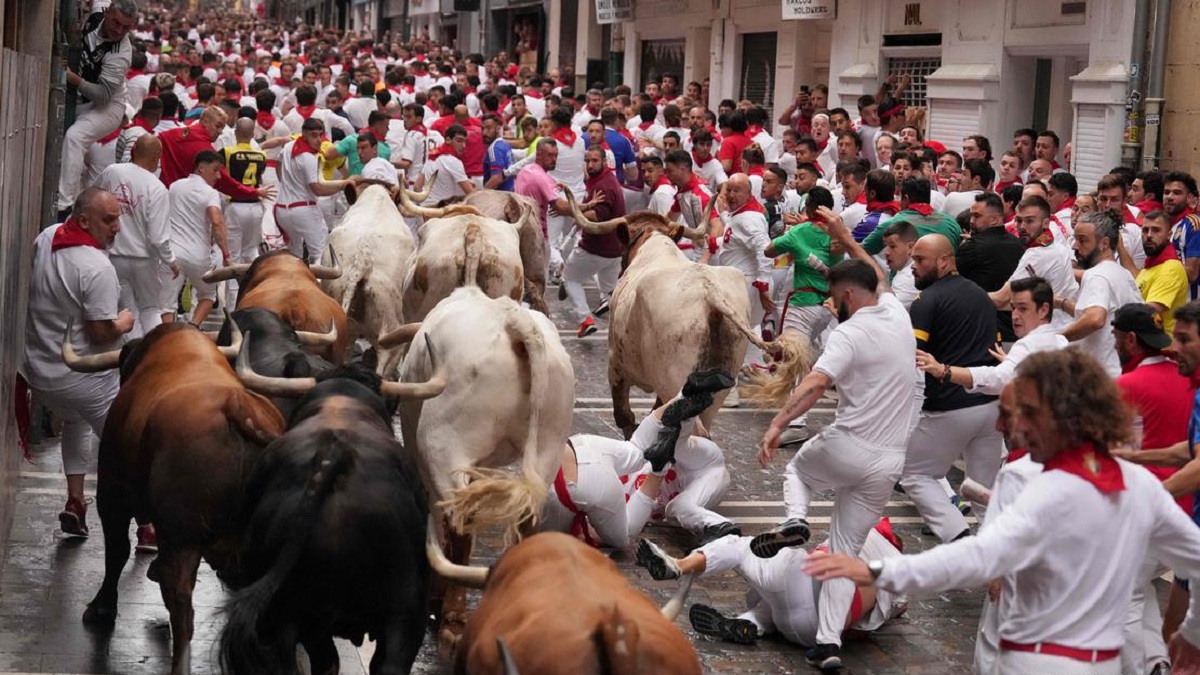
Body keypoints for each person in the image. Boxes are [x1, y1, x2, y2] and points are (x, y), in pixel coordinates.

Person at [804, 348, 1200, 675]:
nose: (1004, 426)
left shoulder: (1045, 489)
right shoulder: (1140, 485)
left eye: (1021, 413)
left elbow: (976, 558)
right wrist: (1194, 635)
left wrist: (877, 571)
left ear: (1061, 416)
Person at [753, 206, 916, 670]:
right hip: (889, 463)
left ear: (846, 295)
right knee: (845, 551)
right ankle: (828, 644)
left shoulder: (848, 334)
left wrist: (777, 424)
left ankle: (795, 521)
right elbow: (878, 274)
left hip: (849, 447)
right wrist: (845, 236)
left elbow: (815, 384)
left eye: (833, 298)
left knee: (797, 471)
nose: (832, 305)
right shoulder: (896, 314)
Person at [21, 188, 134, 537]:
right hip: (85, 380)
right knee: (127, 448)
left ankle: (75, 502)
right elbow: (101, 333)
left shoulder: (47, 236)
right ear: (83, 220)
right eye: (108, 220)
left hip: (38, 374)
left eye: (118, 218)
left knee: (75, 422)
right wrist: (124, 323)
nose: (116, 227)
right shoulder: (97, 267)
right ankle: (148, 526)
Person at [635, 520, 908, 649]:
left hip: (806, 580)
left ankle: (679, 566)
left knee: (740, 547)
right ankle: (750, 623)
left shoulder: (860, 529)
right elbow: (872, 624)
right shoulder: (898, 574)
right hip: (809, 634)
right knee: (775, 602)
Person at [901, 233, 1005, 543]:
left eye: (920, 260)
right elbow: (996, 353)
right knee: (983, 491)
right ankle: (995, 554)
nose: (913, 267)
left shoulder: (926, 301)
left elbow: (913, 358)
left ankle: (959, 539)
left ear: (945, 261)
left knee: (916, 474)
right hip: (990, 406)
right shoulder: (980, 296)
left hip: (950, 407)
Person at [1110, 303, 1195, 675]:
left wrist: (1150, 498)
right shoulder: (1188, 382)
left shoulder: (1126, 385)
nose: (1173, 349)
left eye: (1184, 340)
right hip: (1186, 514)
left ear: (1128, 340)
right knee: (1137, 586)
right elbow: (1188, 450)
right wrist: (1135, 456)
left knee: (1123, 591)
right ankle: (1156, 662)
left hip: (1166, 514)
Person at [915, 276, 1067, 396]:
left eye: (1023, 309)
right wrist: (1012, 362)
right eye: (1013, 308)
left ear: (1043, 310)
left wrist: (944, 370)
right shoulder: (1062, 342)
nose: (1014, 316)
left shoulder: (1026, 346)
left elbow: (997, 379)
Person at [56, 0, 137, 218]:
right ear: (107, 12)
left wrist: (73, 79)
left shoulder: (121, 53)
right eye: (116, 22)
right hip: (82, 95)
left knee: (74, 137)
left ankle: (63, 206)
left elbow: (102, 96)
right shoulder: (98, 11)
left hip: (108, 105)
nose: (119, 30)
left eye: (126, 27)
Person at [92, 134, 175, 338]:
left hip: (114, 256)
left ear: (132, 151)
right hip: (145, 261)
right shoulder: (157, 188)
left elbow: (92, 198)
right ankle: (157, 351)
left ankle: (133, 356)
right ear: (157, 157)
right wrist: (171, 261)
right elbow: (158, 237)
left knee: (127, 310)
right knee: (150, 309)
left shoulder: (112, 172)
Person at [1058, 211, 1143, 378]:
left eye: (1082, 240)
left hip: (1100, 378)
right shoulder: (1123, 274)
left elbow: (1095, 319)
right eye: (1075, 239)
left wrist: (1057, 339)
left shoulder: (1097, 276)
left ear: (1104, 243)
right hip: (1121, 373)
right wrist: (1061, 302)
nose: (1075, 246)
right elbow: (1104, 313)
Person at [988, 197, 1080, 328]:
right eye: (1019, 221)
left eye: (1030, 221)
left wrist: (964, 293)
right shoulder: (1056, 245)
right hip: (1065, 327)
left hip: (1051, 333)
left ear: (1046, 223)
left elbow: (1000, 299)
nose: (1022, 227)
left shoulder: (1037, 254)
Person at [163, 151, 231, 328]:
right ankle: (193, 329)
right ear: (201, 168)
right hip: (198, 255)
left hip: (172, 253)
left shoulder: (175, 186)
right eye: (215, 170)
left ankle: (166, 339)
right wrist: (226, 254)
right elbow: (217, 222)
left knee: (167, 304)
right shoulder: (210, 193)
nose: (218, 176)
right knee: (208, 296)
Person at [564, 146, 626, 337]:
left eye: (594, 161)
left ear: (604, 162)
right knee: (610, 293)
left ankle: (585, 319)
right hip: (615, 251)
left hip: (595, 249)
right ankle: (625, 327)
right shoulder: (603, 180)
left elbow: (599, 216)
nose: (590, 165)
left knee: (570, 279)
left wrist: (578, 213)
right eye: (588, 161)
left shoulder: (603, 185)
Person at [715, 174, 774, 369]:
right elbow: (736, 230)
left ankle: (733, 379)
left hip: (749, 284)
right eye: (729, 189)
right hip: (743, 283)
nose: (731, 194)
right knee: (744, 330)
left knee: (734, 332)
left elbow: (764, 248)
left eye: (737, 190)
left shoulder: (750, 218)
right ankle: (758, 371)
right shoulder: (741, 213)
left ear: (750, 193)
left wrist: (763, 285)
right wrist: (723, 214)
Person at [276, 118, 355, 263]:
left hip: (282, 211)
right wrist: (343, 185)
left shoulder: (288, 146)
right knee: (320, 253)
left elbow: (278, 162)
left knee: (294, 256)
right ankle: (316, 284)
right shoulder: (309, 157)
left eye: (321, 135)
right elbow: (317, 189)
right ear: (304, 134)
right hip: (303, 210)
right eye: (314, 135)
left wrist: (284, 184)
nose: (319, 140)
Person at [957, 192, 1025, 342]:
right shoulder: (1019, 245)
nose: (972, 221)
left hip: (983, 332)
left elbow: (952, 284)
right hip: (1017, 329)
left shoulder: (971, 247)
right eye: (971, 216)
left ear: (994, 219)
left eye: (977, 216)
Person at [220, 117, 268, 297]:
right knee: (251, 253)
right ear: (253, 133)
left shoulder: (227, 152)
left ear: (235, 133)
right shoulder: (261, 154)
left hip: (236, 207)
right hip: (256, 206)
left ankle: (233, 305)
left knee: (234, 259)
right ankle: (257, 294)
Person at [861, 177, 962, 255]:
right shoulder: (951, 223)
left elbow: (862, 250)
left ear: (905, 198)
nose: (899, 203)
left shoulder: (895, 223)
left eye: (901, 199)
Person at [515, 139, 572, 243]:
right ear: (539, 155)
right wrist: (587, 206)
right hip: (536, 237)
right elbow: (561, 207)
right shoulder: (543, 177)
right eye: (550, 155)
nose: (554, 159)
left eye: (556, 155)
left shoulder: (525, 170)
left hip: (521, 232)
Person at [1164, 171, 1200, 299]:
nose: (1169, 196)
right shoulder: (1163, 223)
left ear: (1190, 198)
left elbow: (1192, 273)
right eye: (1166, 192)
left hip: (1189, 303)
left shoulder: (1194, 224)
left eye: (1177, 193)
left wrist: (1160, 265)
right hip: (1167, 297)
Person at [418, 123, 474, 205]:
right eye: (459, 141)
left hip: (426, 209)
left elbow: (417, 186)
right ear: (448, 140)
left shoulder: (432, 157)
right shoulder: (453, 161)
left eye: (464, 141)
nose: (463, 145)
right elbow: (470, 193)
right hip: (444, 211)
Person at [881, 220, 919, 308]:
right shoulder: (909, 270)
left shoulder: (906, 278)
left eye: (892, 246)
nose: (886, 252)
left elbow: (888, 311)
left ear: (910, 247)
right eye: (885, 246)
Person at [482, 113, 515, 190]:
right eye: (482, 128)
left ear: (497, 129)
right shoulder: (504, 143)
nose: (484, 133)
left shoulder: (494, 149)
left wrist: (482, 194)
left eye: (488, 128)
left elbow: (497, 178)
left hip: (500, 197)